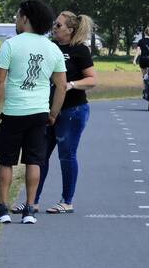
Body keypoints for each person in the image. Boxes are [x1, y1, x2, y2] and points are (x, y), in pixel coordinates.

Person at [0, 0, 67, 226]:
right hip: (39, 112)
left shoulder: (10, 45)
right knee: (34, 160)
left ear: (25, 18)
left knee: (6, 160)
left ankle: (3, 207)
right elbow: (61, 86)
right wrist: (53, 113)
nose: (16, 19)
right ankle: (30, 209)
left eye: (17, 15)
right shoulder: (53, 48)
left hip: (13, 112)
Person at [18, 11, 97, 215]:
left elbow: (92, 80)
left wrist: (70, 84)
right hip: (48, 110)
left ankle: (67, 200)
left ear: (70, 30)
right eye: (54, 25)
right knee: (40, 155)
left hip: (73, 110)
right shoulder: (51, 48)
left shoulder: (79, 50)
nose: (54, 28)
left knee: (66, 155)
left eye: (59, 26)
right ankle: (32, 200)